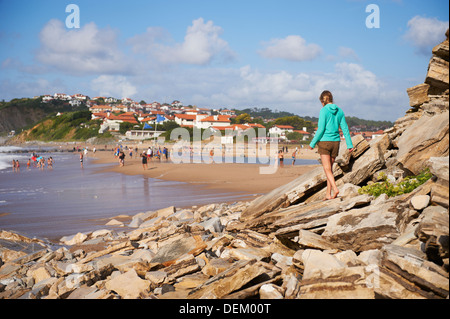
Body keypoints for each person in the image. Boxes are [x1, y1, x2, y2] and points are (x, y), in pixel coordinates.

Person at [309, 90, 353, 200]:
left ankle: (335, 188)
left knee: (327, 169)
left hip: (324, 142)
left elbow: (321, 129)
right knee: (330, 170)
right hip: (335, 143)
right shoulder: (340, 111)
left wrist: (312, 143)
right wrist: (349, 144)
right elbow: (345, 129)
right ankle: (328, 194)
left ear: (322, 101)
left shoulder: (323, 111)